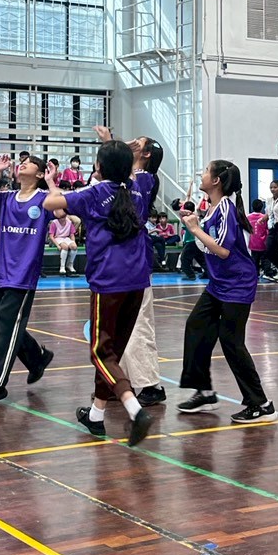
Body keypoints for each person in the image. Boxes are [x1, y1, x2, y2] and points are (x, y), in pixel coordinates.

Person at [42, 139, 154, 446]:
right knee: (112, 354)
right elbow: (133, 170)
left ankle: (135, 409)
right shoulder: (138, 189)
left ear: (99, 167)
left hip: (109, 280)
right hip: (138, 280)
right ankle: (95, 414)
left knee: (100, 352)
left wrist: (53, 184)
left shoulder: (94, 193)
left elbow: (51, 205)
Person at [177, 160, 276, 425]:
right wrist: (192, 225)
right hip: (219, 283)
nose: (202, 174)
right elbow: (206, 247)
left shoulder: (226, 209)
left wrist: (195, 229)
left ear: (216, 180)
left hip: (237, 284)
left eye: (206, 171)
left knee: (231, 341)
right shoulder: (212, 208)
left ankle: (261, 404)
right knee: (196, 326)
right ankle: (205, 392)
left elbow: (222, 250)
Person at [0, 152, 56, 407]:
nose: (22, 164)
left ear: (39, 173)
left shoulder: (44, 198)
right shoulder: (6, 198)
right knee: (1, 319)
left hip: (23, 275)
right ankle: (36, 357)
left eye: (29, 163)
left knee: (5, 329)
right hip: (4, 272)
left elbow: (61, 211)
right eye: (21, 162)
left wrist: (51, 181)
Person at [123, 136, 167, 409]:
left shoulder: (145, 179)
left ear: (147, 153)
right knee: (120, 325)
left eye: (137, 142)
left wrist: (114, 146)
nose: (132, 143)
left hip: (136, 259)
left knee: (139, 323)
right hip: (123, 259)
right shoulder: (131, 176)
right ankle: (119, 381)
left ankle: (151, 385)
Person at [49, 207, 78, 275]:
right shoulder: (54, 223)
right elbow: (51, 236)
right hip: (57, 238)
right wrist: (57, 245)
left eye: (64, 217)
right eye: (61, 217)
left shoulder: (69, 222)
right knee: (65, 247)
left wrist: (73, 242)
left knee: (74, 247)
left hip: (66, 238)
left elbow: (72, 234)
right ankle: (62, 267)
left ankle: (70, 265)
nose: (63, 219)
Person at [247, 198, 272, 278]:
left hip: (253, 243)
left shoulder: (248, 217)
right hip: (263, 242)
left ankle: (255, 273)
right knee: (265, 259)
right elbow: (268, 229)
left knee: (254, 259)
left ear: (252, 207)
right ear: (262, 208)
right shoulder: (264, 217)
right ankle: (268, 272)